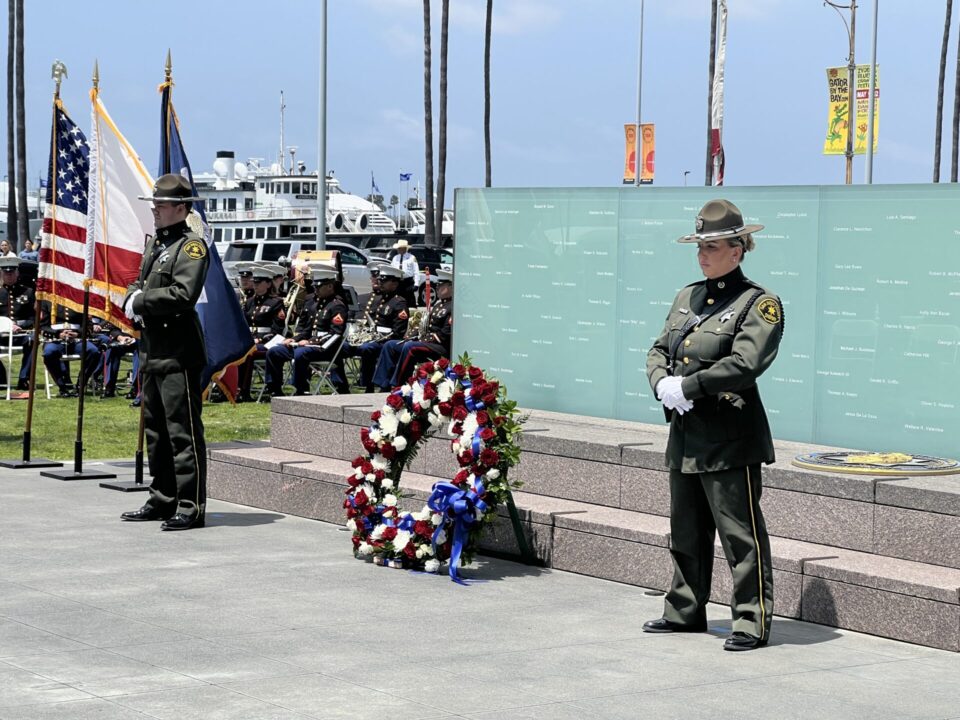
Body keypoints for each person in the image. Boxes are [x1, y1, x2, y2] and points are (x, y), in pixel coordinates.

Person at [643, 199, 784, 652]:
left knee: (739, 533)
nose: (703, 256)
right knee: (685, 528)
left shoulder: (757, 304)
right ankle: (684, 609)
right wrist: (662, 381)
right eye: (699, 247)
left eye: (713, 247)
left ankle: (750, 620)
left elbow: (745, 364)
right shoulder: (688, 296)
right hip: (685, 433)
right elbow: (659, 348)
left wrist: (690, 386)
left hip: (729, 437)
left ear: (737, 251)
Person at [120, 174, 210, 531]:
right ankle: (162, 498)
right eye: (154, 204)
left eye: (160, 205)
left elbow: (183, 294)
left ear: (181, 208)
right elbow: (143, 282)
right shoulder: (158, 243)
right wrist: (132, 294)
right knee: (156, 431)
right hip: (153, 349)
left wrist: (141, 300)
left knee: (182, 432)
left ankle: (191, 505)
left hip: (178, 351)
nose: (154, 210)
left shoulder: (191, 247)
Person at [264, 266, 349, 396]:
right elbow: (306, 329)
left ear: (330, 286)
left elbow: (335, 334)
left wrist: (310, 341)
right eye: (315, 286)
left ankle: (300, 388)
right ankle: (274, 388)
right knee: (275, 351)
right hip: (307, 345)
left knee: (300, 353)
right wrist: (294, 339)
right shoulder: (312, 302)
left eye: (319, 287)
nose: (316, 289)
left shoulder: (337, 305)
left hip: (325, 348)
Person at [372, 266, 454, 389]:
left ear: (451, 287)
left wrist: (422, 339)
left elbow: (444, 335)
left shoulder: (453, 307)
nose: (437, 287)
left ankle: (398, 383)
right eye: (437, 284)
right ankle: (383, 383)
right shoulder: (438, 305)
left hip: (441, 347)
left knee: (410, 347)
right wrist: (413, 334)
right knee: (390, 345)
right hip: (429, 342)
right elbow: (425, 326)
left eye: (441, 285)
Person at [238, 264, 286, 402]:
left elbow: (277, 330)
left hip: (266, 343)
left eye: (259, 283)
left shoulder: (275, 303)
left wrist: (260, 340)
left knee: (247, 352)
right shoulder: (249, 302)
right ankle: (230, 388)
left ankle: (244, 390)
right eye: (255, 282)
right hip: (250, 341)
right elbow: (244, 325)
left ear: (268, 283)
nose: (255, 286)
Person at [357, 264, 408, 392]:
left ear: (394, 284)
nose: (380, 283)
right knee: (350, 345)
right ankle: (359, 383)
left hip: (386, 341)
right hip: (375, 338)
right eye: (380, 280)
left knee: (367, 348)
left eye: (384, 281)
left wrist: (377, 338)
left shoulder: (399, 302)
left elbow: (398, 331)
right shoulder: (382, 300)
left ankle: (373, 385)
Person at [40, 304, 100, 397]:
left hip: (76, 340)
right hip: (56, 340)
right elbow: (42, 326)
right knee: (48, 352)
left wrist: (77, 333)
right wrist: (58, 334)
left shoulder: (79, 300)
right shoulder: (48, 301)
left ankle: (81, 384)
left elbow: (88, 325)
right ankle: (62, 386)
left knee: (93, 351)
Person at [0, 256, 36, 391]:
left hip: (20, 334)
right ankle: (1, 377)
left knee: (32, 340)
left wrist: (22, 326)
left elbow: (34, 317)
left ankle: (24, 378)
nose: (9, 276)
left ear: (17, 273)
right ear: (2, 274)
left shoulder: (28, 292)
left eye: (12, 273)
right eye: (6, 273)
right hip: (1, 336)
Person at [390, 238, 420, 307]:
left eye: (399, 248)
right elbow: (392, 269)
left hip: (408, 282)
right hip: (398, 282)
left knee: (409, 301)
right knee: (397, 300)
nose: (398, 250)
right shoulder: (395, 258)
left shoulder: (411, 257)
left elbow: (416, 271)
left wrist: (416, 284)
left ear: (404, 248)